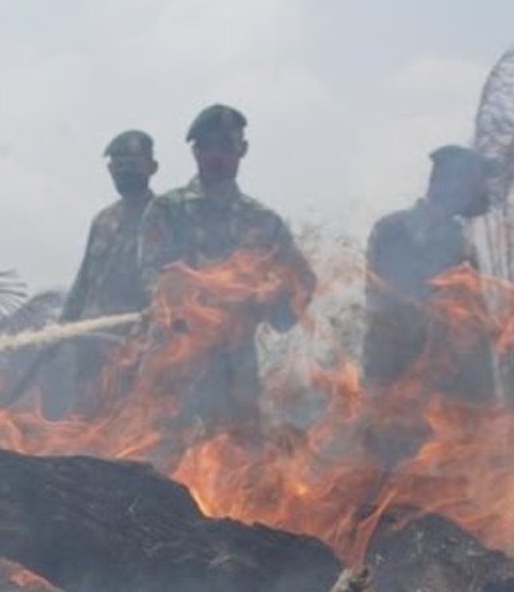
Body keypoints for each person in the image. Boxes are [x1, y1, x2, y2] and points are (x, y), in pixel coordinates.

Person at [138, 104, 316, 434]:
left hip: (236, 368)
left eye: (227, 147)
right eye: (208, 147)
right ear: (195, 152)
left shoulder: (263, 221)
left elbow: (302, 280)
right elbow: (151, 273)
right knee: (159, 457)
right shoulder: (167, 210)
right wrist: (178, 304)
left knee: (239, 464)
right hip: (174, 359)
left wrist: (267, 305)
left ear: (242, 151)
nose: (217, 157)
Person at [363, 145, 498, 463]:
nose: (483, 190)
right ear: (452, 183)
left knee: (447, 497)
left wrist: (483, 397)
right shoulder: (394, 231)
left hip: (453, 397)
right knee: (391, 488)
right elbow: (391, 306)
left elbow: (473, 328)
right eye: (477, 180)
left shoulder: (462, 246)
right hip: (400, 387)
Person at [52, 129, 159, 415]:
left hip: (136, 345)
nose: (125, 172)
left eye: (133, 164)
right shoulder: (103, 220)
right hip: (91, 341)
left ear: (152, 168)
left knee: (128, 418)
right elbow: (85, 277)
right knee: (86, 415)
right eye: (119, 166)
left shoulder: (164, 217)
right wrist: (65, 323)